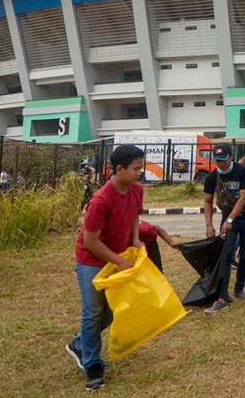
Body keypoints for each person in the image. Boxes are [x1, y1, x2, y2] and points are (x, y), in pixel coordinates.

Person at [66, 144, 145, 391]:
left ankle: (79, 342)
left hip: (116, 255)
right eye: (136, 169)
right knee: (92, 313)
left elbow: (134, 215)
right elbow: (90, 241)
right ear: (119, 169)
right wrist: (120, 261)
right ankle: (92, 366)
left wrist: (135, 239)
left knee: (110, 311)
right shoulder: (101, 199)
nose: (140, 173)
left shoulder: (136, 190)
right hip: (91, 260)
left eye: (141, 168)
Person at [202, 143, 245, 313]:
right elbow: (207, 201)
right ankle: (222, 297)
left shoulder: (241, 172)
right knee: (226, 255)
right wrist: (209, 225)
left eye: (224, 160)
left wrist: (231, 219)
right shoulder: (212, 177)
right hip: (228, 218)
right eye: (217, 161)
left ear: (231, 157)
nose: (221, 164)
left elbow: (243, 198)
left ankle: (239, 289)